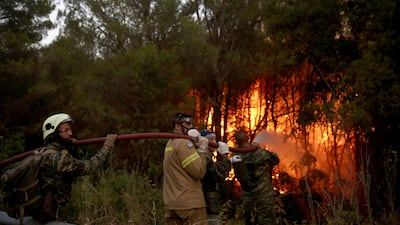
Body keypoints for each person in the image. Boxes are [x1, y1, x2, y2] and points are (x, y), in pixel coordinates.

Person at [32, 113, 117, 224]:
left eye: (70, 130)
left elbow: (75, 161)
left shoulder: (46, 152)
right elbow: (88, 167)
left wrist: (72, 147)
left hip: (45, 211)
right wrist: (107, 147)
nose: (71, 133)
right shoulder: (56, 159)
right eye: (66, 130)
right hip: (48, 215)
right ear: (54, 134)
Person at [163, 113, 211, 225]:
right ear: (177, 126)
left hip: (172, 203)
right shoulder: (184, 144)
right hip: (190, 204)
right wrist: (203, 151)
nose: (191, 127)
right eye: (188, 123)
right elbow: (198, 171)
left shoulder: (170, 143)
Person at [231, 129, 280, 225]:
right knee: (267, 220)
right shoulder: (259, 153)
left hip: (247, 196)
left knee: (249, 221)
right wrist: (258, 147)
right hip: (263, 195)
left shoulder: (235, 155)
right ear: (247, 138)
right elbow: (275, 160)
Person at [200, 129, 231, 225]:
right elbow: (220, 175)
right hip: (206, 206)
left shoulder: (205, 156)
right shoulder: (204, 157)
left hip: (205, 205)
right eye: (211, 139)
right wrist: (225, 156)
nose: (214, 142)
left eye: (215, 139)